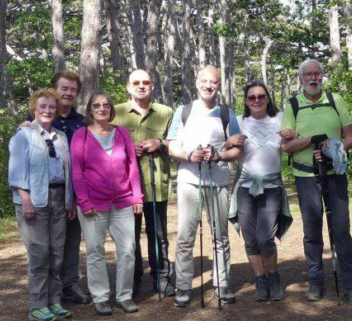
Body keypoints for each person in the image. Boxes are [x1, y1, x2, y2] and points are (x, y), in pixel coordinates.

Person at [279, 58, 352, 306]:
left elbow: (350, 137)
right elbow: (286, 147)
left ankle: (351, 285)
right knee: (312, 231)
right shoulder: (293, 105)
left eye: (317, 74)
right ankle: (315, 282)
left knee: (341, 229)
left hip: (336, 174)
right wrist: (311, 140)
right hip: (306, 177)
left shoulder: (335, 100)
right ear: (301, 78)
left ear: (322, 76)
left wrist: (332, 148)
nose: (313, 78)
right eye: (308, 75)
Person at [168, 66, 243, 307]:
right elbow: (171, 147)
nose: (208, 85)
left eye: (213, 82)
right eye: (204, 81)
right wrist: (189, 155)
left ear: (218, 85)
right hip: (189, 182)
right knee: (185, 236)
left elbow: (237, 148)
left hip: (218, 182)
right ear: (197, 83)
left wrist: (218, 155)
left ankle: (222, 285)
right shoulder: (183, 111)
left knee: (220, 236)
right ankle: (183, 287)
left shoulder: (226, 113)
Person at [71, 92, 144, 316]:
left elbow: (132, 166)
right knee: (95, 252)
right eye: (96, 105)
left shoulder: (121, 132)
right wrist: (83, 201)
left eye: (106, 105)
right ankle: (101, 297)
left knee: (128, 250)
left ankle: (124, 296)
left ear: (111, 109)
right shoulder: (81, 135)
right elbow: (77, 172)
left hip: (122, 202)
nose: (101, 108)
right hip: (93, 204)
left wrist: (137, 195)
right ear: (90, 110)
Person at [22, 71, 91, 305]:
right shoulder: (34, 125)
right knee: (45, 247)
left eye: (73, 89)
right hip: (44, 194)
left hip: (75, 193)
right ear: (55, 90)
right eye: (64, 88)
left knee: (70, 242)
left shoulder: (82, 122)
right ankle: (47, 296)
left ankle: (69, 285)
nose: (68, 93)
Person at [8, 88, 74, 321]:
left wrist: (70, 201)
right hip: (33, 201)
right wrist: (26, 201)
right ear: (34, 109)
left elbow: (68, 171)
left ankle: (53, 302)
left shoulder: (61, 136)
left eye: (52, 107)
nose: (47, 110)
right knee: (39, 255)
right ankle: (37, 306)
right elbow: (16, 173)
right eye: (43, 106)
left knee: (57, 253)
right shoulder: (22, 135)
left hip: (58, 199)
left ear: (57, 110)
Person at [227, 80, 294, 302]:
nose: (257, 100)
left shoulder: (281, 118)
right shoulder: (238, 121)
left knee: (265, 238)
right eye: (252, 97)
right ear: (246, 101)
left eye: (261, 96)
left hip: (272, 186)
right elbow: (225, 146)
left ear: (268, 98)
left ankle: (273, 276)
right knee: (250, 239)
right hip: (245, 187)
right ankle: (260, 280)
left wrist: (292, 135)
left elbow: (291, 142)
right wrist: (229, 142)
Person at [111, 69, 175, 296]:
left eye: (145, 82)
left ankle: (162, 276)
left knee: (158, 235)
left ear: (152, 86)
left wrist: (160, 143)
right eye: (136, 82)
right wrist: (127, 149)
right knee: (130, 237)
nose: (141, 86)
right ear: (128, 87)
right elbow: (99, 139)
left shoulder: (166, 112)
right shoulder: (115, 112)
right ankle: (133, 277)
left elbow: (177, 141)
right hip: (125, 189)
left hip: (157, 184)